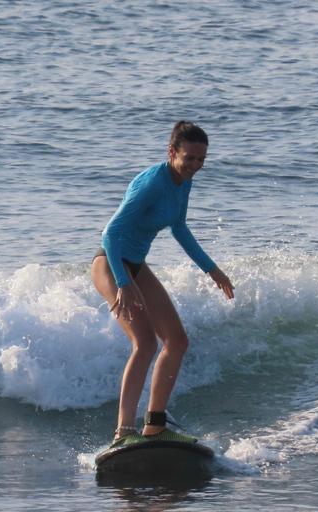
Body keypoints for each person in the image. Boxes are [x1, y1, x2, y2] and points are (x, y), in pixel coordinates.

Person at [92, 121, 235, 447]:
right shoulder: (153, 183)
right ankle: (123, 432)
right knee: (145, 343)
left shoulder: (182, 182)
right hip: (111, 263)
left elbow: (179, 228)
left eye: (201, 160)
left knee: (177, 341)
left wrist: (212, 270)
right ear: (172, 152)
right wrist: (122, 282)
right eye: (189, 159)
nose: (196, 167)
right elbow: (110, 234)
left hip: (136, 266)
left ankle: (155, 424)